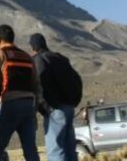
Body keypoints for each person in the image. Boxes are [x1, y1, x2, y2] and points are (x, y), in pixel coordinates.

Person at [0, 25, 44, 161]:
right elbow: (36, 87)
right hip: (28, 106)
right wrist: (34, 113)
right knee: (30, 150)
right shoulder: (27, 57)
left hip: (10, 105)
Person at [30, 33, 83, 161]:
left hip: (55, 109)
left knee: (56, 151)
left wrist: (45, 108)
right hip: (69, 108)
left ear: (33, 47)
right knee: (70, 149)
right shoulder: (61, 58)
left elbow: (39, 84)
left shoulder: (39, 60)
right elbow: (77, 79)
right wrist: (74, 102)